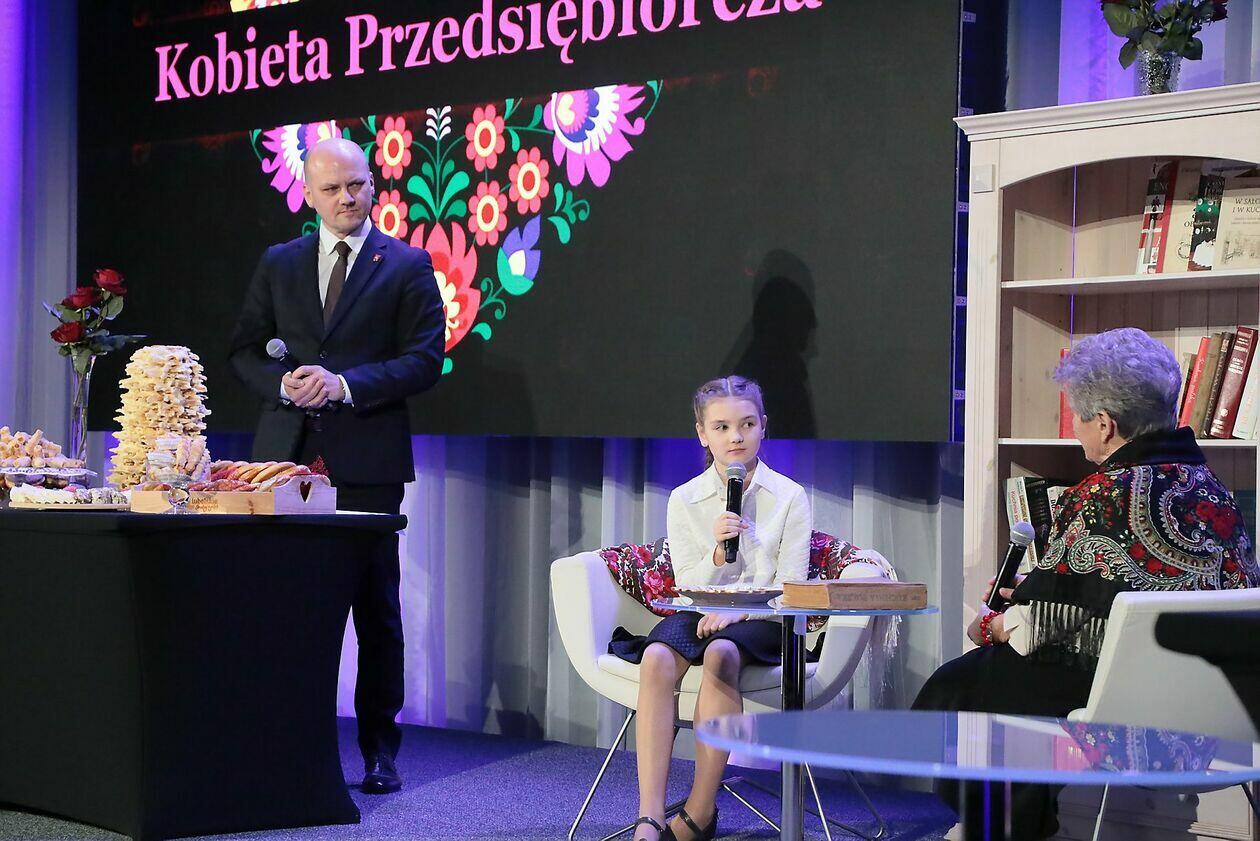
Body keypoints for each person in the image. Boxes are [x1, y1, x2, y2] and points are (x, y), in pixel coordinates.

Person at [913, 327, 1260, 839]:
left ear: (1104, 423)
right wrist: (1036, 592)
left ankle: (997, 827)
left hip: (1131, 717)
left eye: (1077, 416)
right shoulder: (1213, 488)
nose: (1075, 429)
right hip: (1222, 715)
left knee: (966, 682)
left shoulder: (1103, 493)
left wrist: (991, 626)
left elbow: (1040, 626)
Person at [228, 137, 445, 794]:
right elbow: (243, 351)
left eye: (357, 184)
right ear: (309, 194)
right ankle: (286, 742)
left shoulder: (406, 263)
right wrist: (284, 384)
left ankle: (380, 749)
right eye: (332, 189)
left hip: (368, 460)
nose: (347, 198)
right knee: (283, 606)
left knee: (375, 610)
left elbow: (425, 359)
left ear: (372, 183)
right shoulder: (280, 262)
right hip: (283, 460)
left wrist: (345, 384)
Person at [607, 376, 811, 841]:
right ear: (702, 433)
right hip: (702, 608)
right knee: (656, 658)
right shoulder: (685, 498)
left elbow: (790, 588)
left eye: (747, 424)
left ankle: (699, 812)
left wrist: (741, 612)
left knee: (722, 652)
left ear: (763, 427)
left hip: (764, 616)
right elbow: (686, 583)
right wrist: (718, 554)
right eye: (721, 427)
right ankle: (649, 817)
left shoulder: (789, 497)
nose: (736, 437)